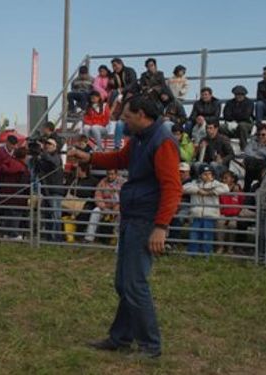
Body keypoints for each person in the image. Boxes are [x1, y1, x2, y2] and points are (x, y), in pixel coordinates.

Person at [67, 95, 182, 359]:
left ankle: (150, 346)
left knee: (134, 283)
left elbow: (172, 187)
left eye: (127, 116)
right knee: (124, 283)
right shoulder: (141, 139)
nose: (123, 121)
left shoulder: (162, 142)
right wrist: (88, 157)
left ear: (142, 114)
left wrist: (161, 227)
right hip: (133, 216)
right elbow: (118, 159)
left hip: (145, 220)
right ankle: (121, 338)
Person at [183, 164, 229, 255]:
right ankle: (193, 253)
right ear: (200, 175)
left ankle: (206, 254)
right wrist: (198, 190)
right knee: (194, 235)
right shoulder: (194, 183)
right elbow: (184, 188)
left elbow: (225, 188)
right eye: (205, 174)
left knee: (207, 235)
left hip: (210, 215)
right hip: (196, 214)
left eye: (209, 174)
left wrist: (211, 192)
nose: (208, 176)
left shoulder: (216, 184)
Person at [35, 137, 66, 242]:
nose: (47, 145)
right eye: (46, 144)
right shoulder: (45, 158)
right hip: (48, 190)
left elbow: (54, 163)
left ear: (55, 147)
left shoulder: (56, 157)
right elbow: (38, 169)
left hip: (55, 190)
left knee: (55, 215)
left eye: (49, 144)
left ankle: (56, 237)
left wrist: (43, 153)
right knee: (48, 214)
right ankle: (50, 236)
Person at [84, 169, 125, 243]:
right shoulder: (102, 182)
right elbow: (98, 196)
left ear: (116, 174)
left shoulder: (123, 182)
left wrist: (118, 207)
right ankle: (89, 237)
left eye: (112, 174)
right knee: (95, 211)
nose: (110, 176)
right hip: (105, 207)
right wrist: (103, 207)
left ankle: (117, 239)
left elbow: (126, 197)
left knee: (121, 215)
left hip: (118, 208)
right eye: (108, 174)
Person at [0, 147, 30, 240]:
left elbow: (0, 177)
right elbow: (25, 184)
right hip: (18, 195)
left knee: (8, 214)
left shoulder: (7, 164)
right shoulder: (23, 168)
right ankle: (14, 234)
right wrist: (28, 193)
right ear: (24, 156)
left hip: (5, 193)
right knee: (16, 214)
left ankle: (7, 233)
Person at [216, 171, 244, 254]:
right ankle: (220, 247)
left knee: (233, 225)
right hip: (223, 213)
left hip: (234, 214)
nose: (224, 180)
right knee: (220, 223)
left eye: (226, 178)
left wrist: (238, 211)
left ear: (232, 179)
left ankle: (230, 248)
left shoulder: (238, 189)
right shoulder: (220, 189)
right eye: (223, 178)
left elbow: (242, 201)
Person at [222, 85, 254, 151]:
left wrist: (234, 116)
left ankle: (244, 149)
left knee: (242, 126)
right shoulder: (229, 103)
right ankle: (225, 149)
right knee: (220, 127)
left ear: (244, 95)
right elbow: (226, 115)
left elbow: (246, 116)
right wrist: (237, 116)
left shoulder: (249, 103)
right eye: (237, 94)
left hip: (246, 124)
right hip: (231, 124)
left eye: (241, 94)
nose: (239, 96)